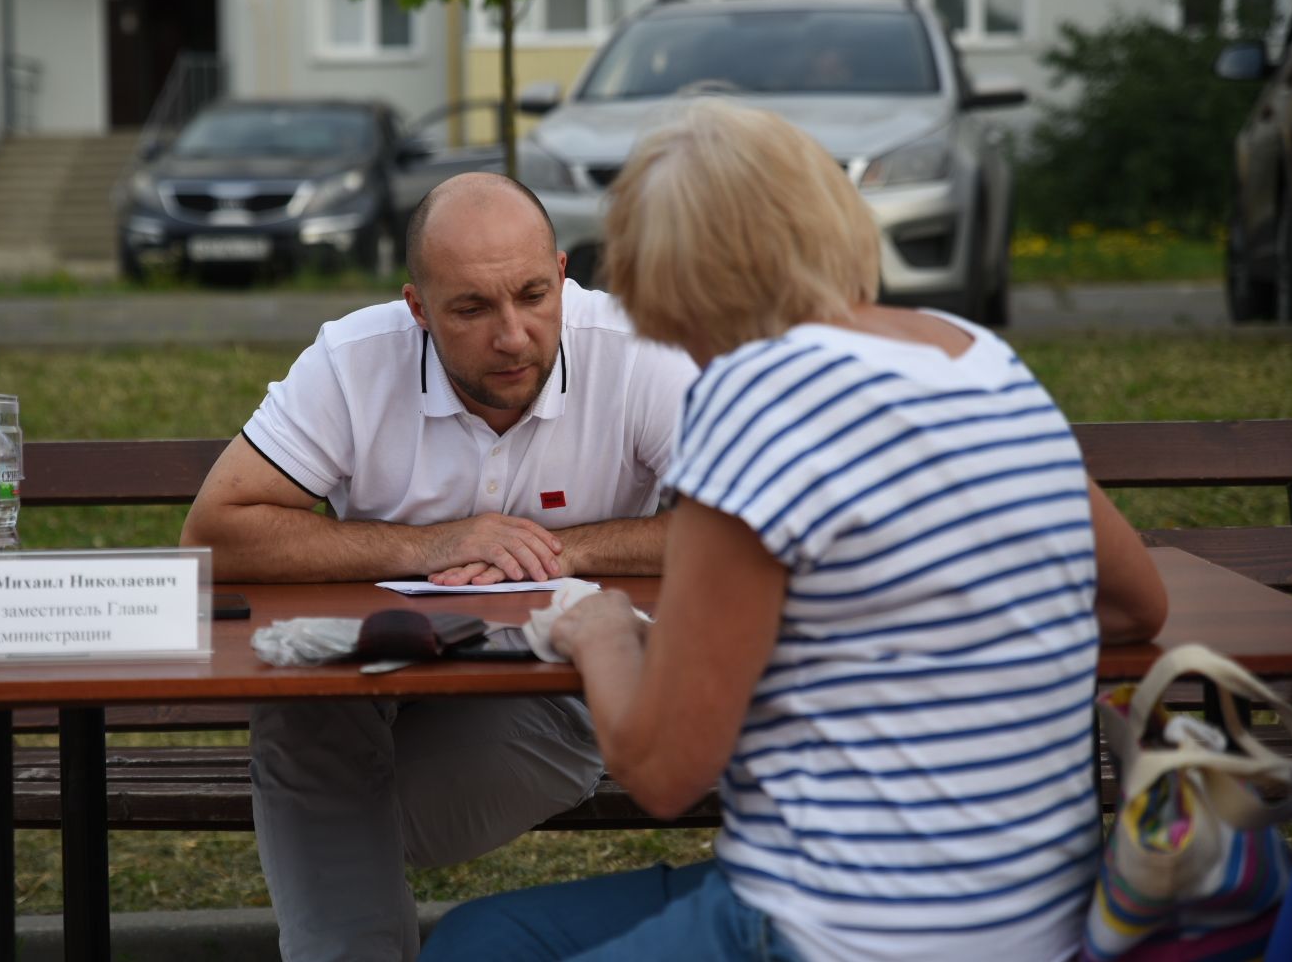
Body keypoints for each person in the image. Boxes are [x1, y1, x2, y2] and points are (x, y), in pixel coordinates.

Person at [419, 100, 1169, 961]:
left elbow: (664, 773)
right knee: (491, 931)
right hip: (1042, 925)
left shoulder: (755, 407)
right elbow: (1136, 603)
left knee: (476, 947)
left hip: (830, 930)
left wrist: (599, 633)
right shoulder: (981, 359)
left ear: (680, 282)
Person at [180, 171, 698, 962]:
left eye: (532, 294)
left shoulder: (636, 351)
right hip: (369, 689)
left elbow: (741, 528)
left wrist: (560, 548)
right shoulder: (355, 359)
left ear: (563, 273)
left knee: (321, 825)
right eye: (470, 308)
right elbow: (214, 534)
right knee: (303, 715)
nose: (513, 334)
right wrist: (432, 543)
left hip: (552, 706)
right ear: (416, 308)